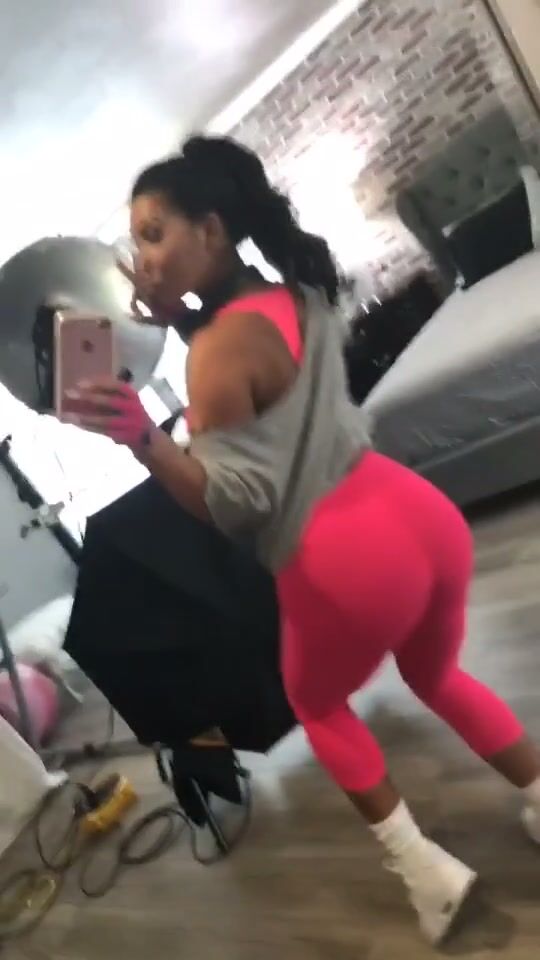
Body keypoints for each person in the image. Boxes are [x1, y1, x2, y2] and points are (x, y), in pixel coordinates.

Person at [66, 135, 540, 946]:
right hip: (417, 514)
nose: (140, 260)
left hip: (344, 559)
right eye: (134, 241)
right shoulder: (294, 289)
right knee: (436, 673)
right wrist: (180, 324)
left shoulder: (215, 354)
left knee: (318, 705)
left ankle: (427, 877)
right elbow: (263, 379)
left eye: (153, 234)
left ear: (210, 230)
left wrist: (142, 437)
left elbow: (232, 506)